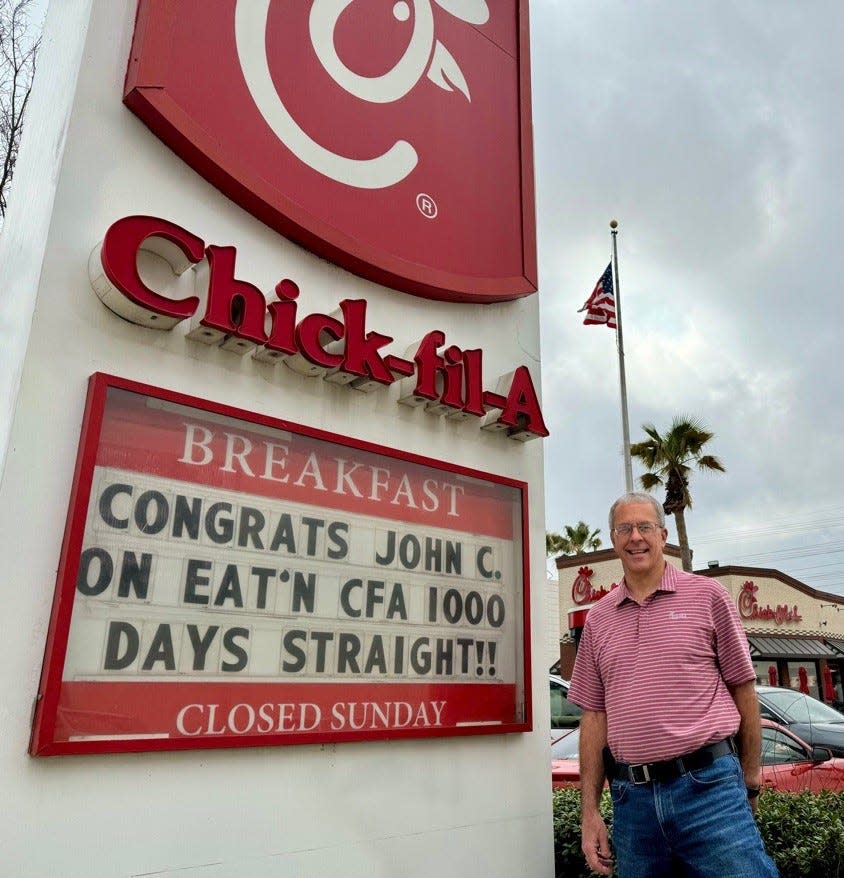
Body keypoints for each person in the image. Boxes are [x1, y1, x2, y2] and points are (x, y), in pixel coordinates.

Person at [567, 492, 778, 878]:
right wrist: (590, 811)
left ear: (664, 535)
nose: (635, 537)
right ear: (613, 540)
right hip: (633, 804)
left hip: (710, 792)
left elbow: (743, 690)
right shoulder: (598, 619)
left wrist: (750, 779)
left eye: (644, 526)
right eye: (624, 528)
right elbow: (594, 716)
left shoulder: (708, 596)